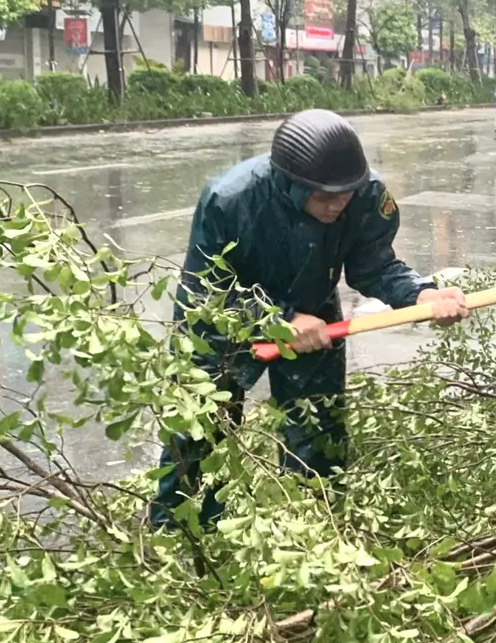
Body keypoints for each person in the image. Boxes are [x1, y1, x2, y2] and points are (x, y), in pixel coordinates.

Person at [149, 109, 468, 529]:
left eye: (345, 194)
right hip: (222, 326)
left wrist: (421, 294)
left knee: (319, 441)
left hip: (315, 320)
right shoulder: (229, 199)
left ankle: (315, 532)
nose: (338, 205)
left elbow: (373, 265)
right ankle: (179, 540)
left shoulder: (367, 195)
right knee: (198, 441)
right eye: (324, 197)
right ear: (291, 184)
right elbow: (204, 294)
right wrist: (277, 321)